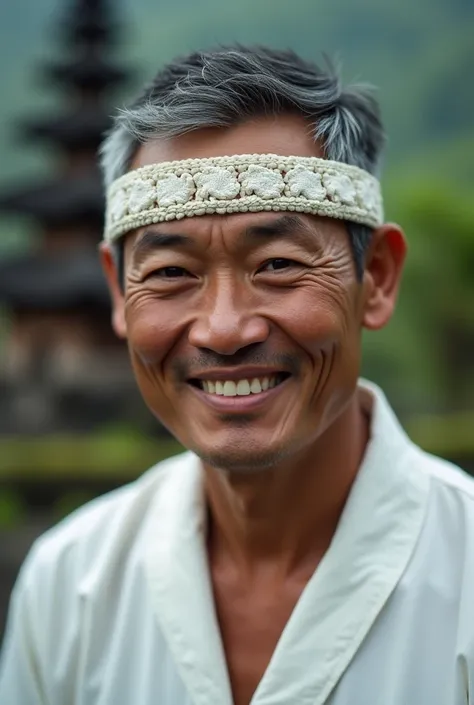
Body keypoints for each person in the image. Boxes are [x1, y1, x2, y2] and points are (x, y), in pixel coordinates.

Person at [0, 45, 473, 705]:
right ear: (117, 291)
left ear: (378, 279)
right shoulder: (69, 585)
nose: (223, 328)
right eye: (171, 273)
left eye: (278, 263)